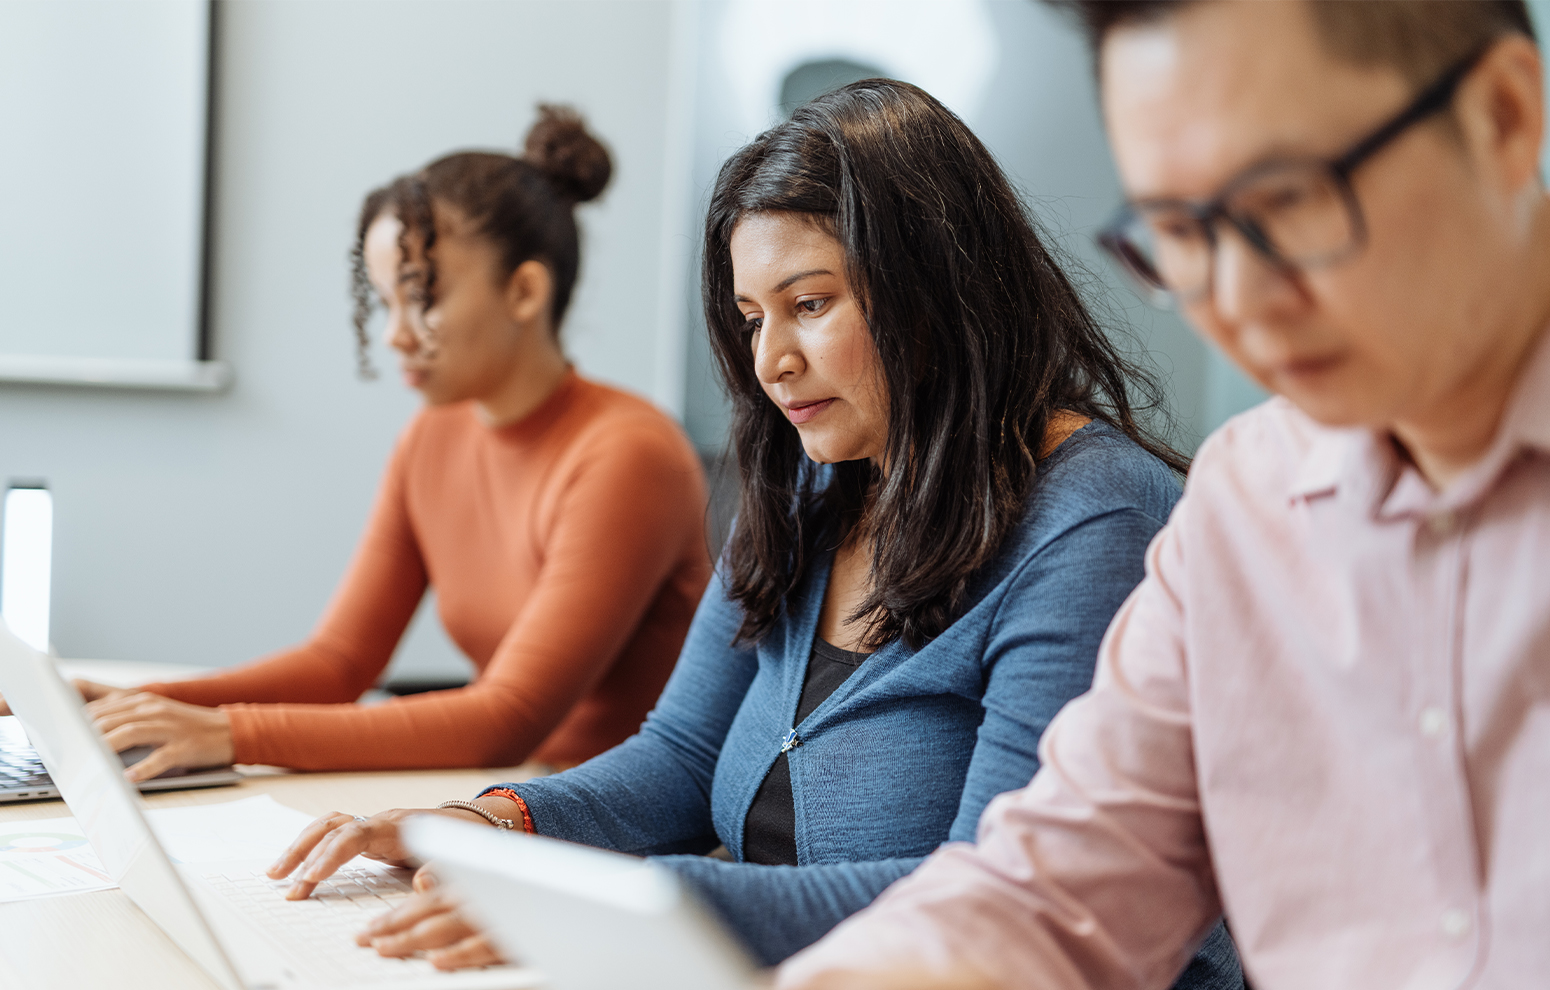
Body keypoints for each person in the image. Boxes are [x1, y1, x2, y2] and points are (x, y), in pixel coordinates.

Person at [265, 80, 1241, 986]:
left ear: (937, 289)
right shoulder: (819, 484)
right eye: (748, 318)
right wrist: (483, 826)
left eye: (809, 306)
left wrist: (624, 903)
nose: (771, 361)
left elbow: (990, 899)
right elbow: (681, 760)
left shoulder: (1096, 517)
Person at [779, 2, 1550, 988]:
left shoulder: (1115, 499)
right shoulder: (1246, 504)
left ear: (1500, 116)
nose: (1233, 300)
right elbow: (1060, 892)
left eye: (1284, 203)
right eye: (1180, 234)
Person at [57, 107, 711, 777]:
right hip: (508, 799)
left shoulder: (629, 453)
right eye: (383, 302)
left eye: (421, 296)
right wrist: (126, 706)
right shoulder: (433, 436)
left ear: (524, 290)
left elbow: (506, 720)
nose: (395, 334)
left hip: (619, 829)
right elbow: (339, 662)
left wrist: (228, 734)